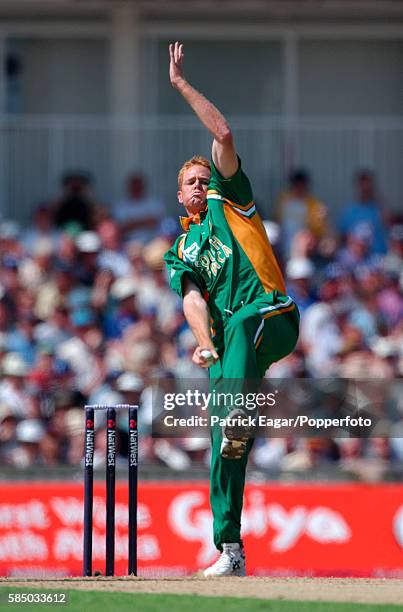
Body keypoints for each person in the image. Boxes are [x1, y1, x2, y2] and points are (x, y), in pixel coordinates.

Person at [163, 42, 300, 577]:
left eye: (203, 179)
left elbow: (221, 133)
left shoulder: (230, 195)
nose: (200, 186)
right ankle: (230, 549)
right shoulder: (178, 252)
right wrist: (203, 343)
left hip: (273, 316)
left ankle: (238, 407)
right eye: (191, 183)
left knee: (242, 323)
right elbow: (193, 299)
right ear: (179, 196)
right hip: (233, 346)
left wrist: (180, 85)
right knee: (224, 442)